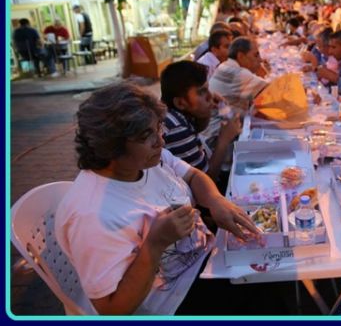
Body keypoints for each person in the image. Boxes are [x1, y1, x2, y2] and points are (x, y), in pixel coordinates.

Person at [55, 81, 259, 315]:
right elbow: (112, 309)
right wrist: (155, 244)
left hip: (201, 261)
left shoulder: (148, 161)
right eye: (146, 136)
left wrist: (215, 201)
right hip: (169, 302)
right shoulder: (91, 216)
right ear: (111, 147)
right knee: (266, 290)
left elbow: (193, 176)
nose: (160, 141)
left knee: (270, 271)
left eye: (158, 128)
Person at [161, 61, 241, 185]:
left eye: (208, 89)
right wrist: (223, 141)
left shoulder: (173, 112)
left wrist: (207, 111)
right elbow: (207, 181)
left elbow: (195, 130)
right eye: (201, 92)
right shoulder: (177, 129)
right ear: (180, 103)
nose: (210, 96)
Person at [208, 36, 268, 112]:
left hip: (220, 115)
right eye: (256, 55)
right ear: (241, 56)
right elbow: (273, 91)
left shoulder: (226, 65)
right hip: (223, 118)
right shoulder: (238, 73)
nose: (260, 59)